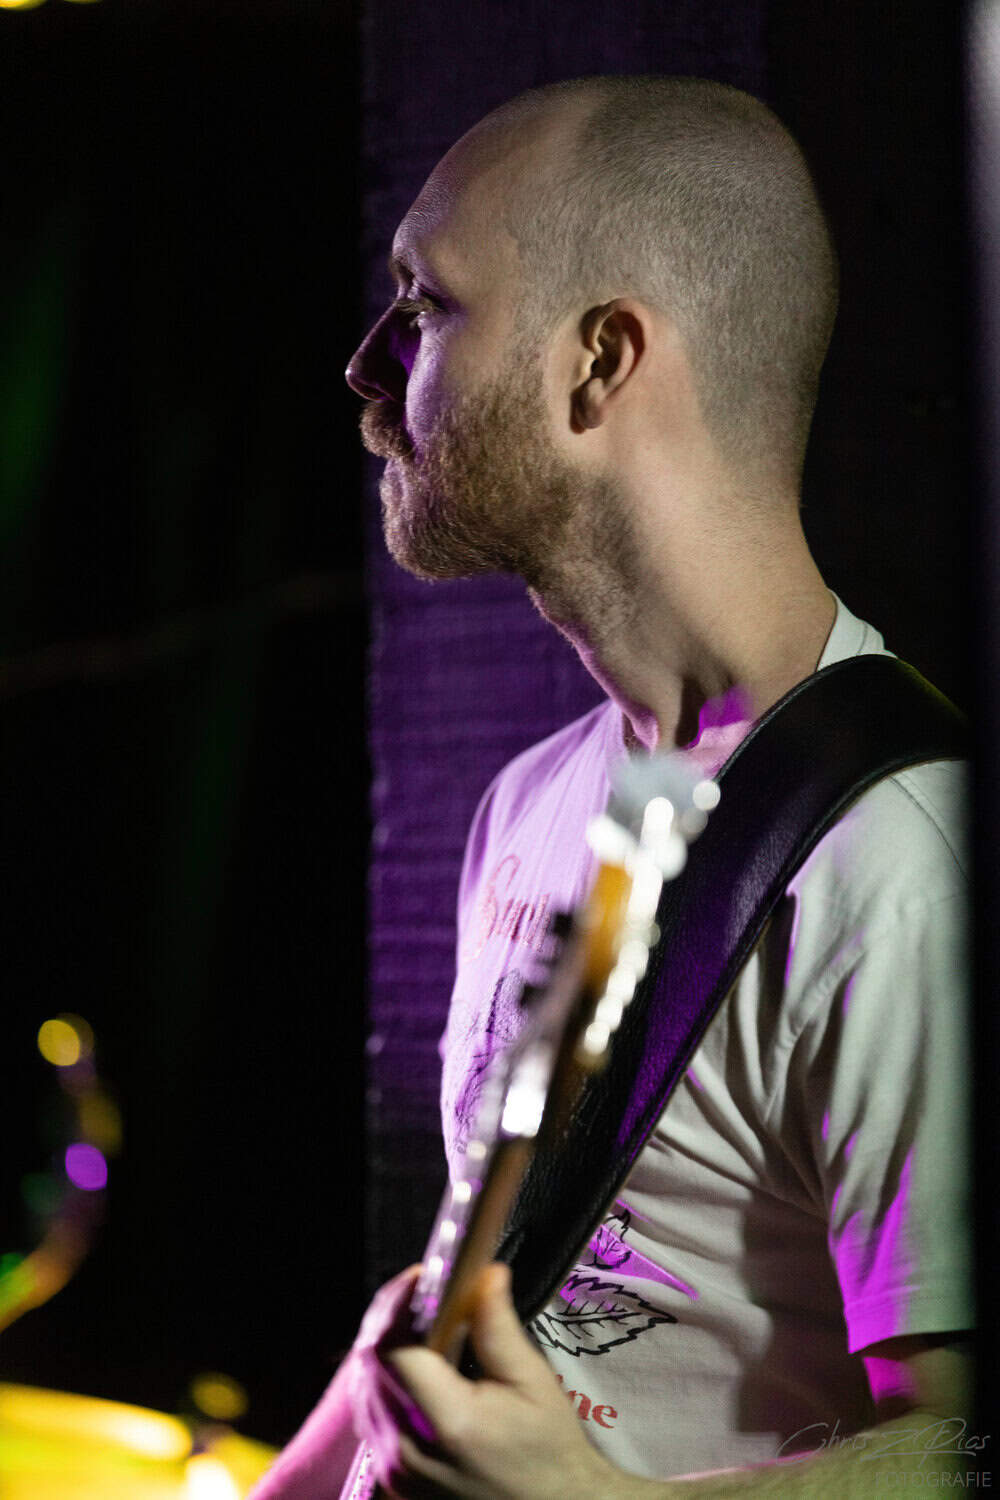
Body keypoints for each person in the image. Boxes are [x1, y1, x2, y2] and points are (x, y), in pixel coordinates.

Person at [252, 76, 973, 1497]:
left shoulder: (902, 867)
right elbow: (515, 1293)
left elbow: (969, 1447)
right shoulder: (534, 801)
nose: (365, 369)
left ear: (600, 362)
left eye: (426, 304)